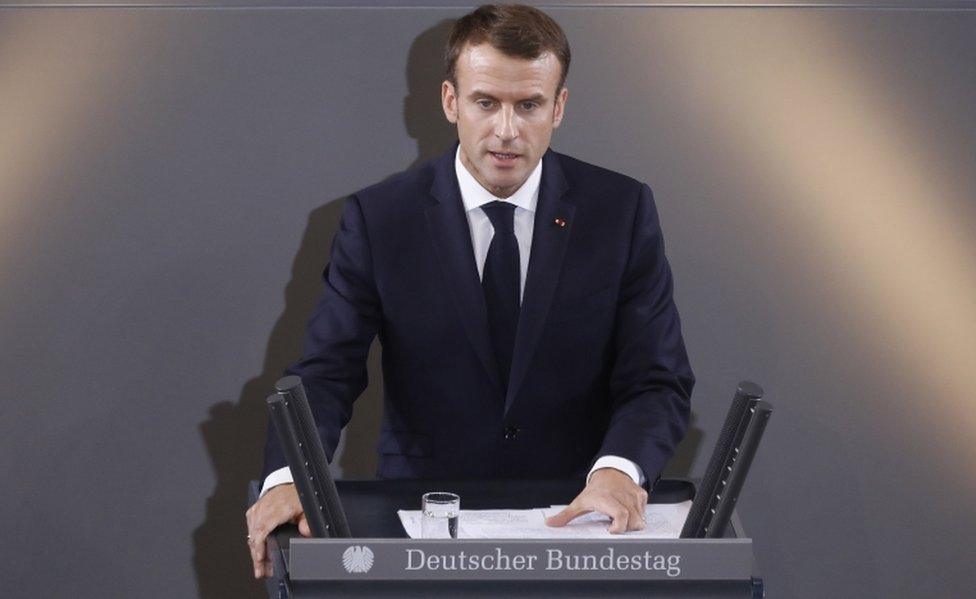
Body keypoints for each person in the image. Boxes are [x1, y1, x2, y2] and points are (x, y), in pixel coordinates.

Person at [245, 3, 694, 579]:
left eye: (528, 105)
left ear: (558, 107)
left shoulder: (621, 211)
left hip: (578, 520)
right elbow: (326, 372)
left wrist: (619, 471)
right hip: (424, 522)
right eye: (486, 102)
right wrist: (291, 478)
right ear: (450, 102)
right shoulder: (381, 219)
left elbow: (657, 377)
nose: (506, 130)